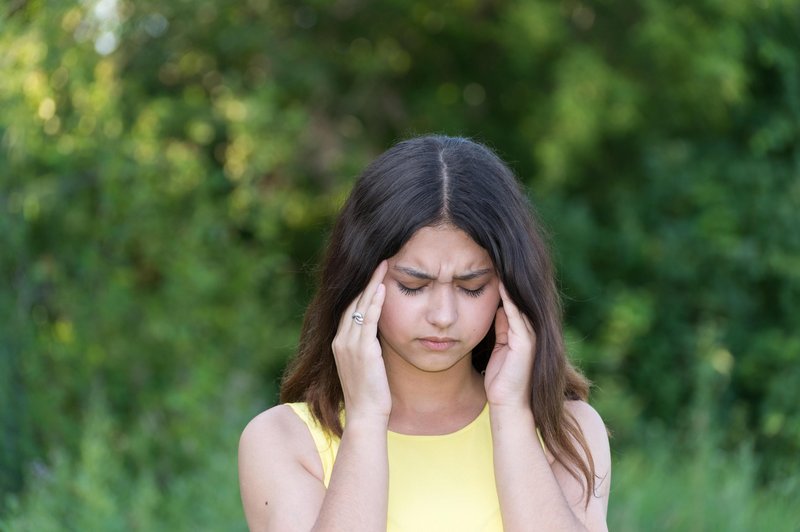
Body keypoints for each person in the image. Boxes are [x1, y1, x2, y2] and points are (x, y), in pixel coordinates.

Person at [238, 135, 611, 531]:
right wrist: (364, 421)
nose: (443, 315)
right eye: (413, 285)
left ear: (509, 290)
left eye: (471, 286)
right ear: (360, 279)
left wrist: (511, 415)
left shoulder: (566, 431)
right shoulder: (284, 441)